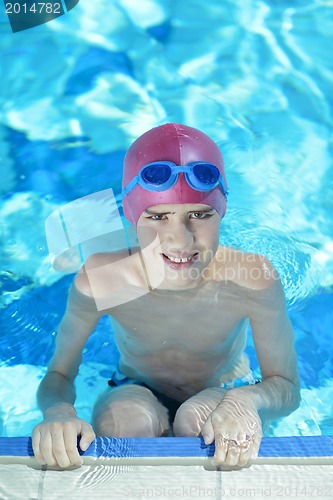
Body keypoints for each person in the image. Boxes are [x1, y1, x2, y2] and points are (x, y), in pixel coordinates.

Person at [32, 123, 300, 469]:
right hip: (135, 386)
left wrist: (246, 401)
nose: (180, 240)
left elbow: (286, 386)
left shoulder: (252, 279)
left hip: (226, 389)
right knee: (126, 425)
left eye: (200, 215)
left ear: (221, 213)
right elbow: (59, 376)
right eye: (158, 217)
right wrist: (58, 413)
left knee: (199, 423)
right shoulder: (101, 280)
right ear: (132, 216)